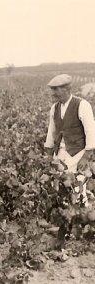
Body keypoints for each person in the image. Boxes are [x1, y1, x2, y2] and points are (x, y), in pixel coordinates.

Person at [44, 74, 95, 206]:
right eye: (52, 89)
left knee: (77, 187)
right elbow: (52, 131)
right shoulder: (55, 108)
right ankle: (66, 214)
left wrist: (86, 156)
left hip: (77, 153)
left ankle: (81, 214)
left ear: (66, 89)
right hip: (60, 153)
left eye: (56, 89)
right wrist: (49, 153)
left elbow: (91, 132)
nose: (53, 93)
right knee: (60, 186)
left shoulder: (82, 105)